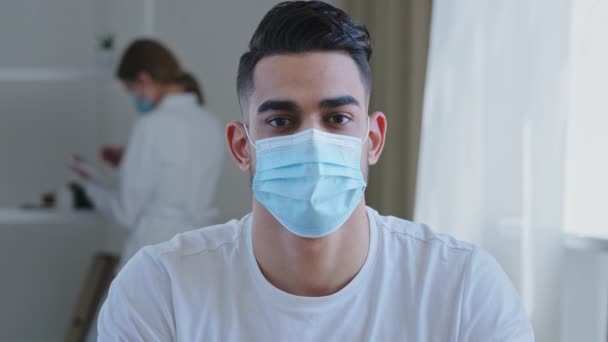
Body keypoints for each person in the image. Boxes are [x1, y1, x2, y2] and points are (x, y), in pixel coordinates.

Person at [97, 2, 535, 341]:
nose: (311, 141)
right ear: (241, 146)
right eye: (281, 121)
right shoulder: (159, 289)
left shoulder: (462, 288)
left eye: (337, 119)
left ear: (374, 139)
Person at [71, 39, 224, 266]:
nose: (134, 98)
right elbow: (178, 175)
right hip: (201, 248)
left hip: (154, 249)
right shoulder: (212, 123)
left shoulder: (150, 125)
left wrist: (91, 187)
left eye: (131, 90)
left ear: (143, 79)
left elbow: (125, 212)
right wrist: (128, 160)